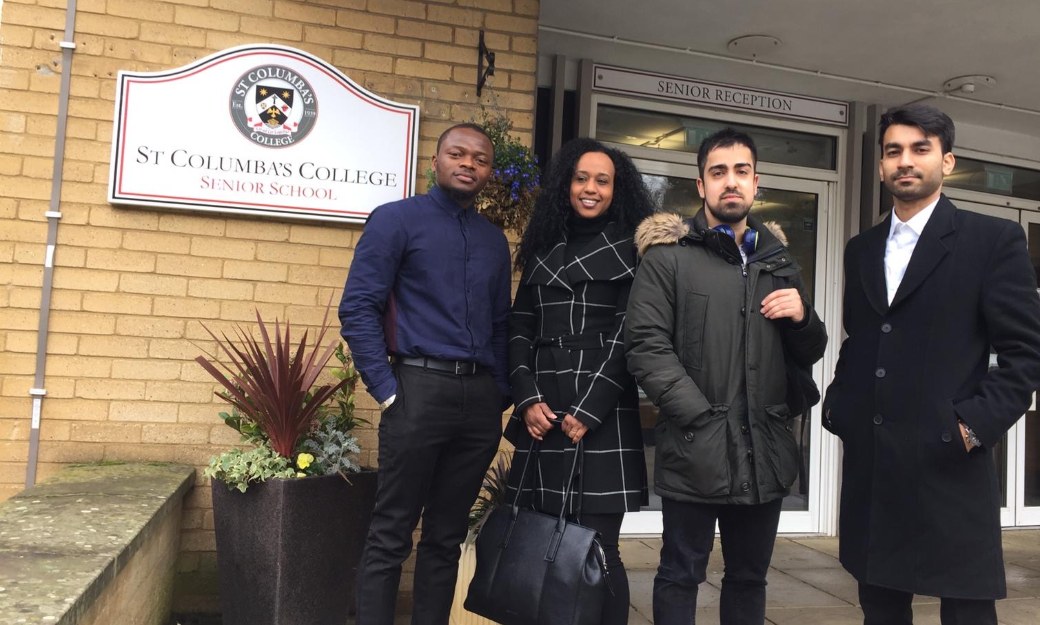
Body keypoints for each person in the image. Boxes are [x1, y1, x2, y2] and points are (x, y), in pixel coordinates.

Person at [823, 103, 1040, 625]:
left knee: (966, 610)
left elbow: (1025, 354)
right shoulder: (861, 248)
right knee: (880, 606)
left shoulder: (991, 240)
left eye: (920, 149)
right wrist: (841, 408)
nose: (905, 161)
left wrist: (970, 427)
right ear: (880, 166)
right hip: (876, 463)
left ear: (947, 161)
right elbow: (862, 338)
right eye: (893, 151)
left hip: (949, 462)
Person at [625, 127, 827, 625]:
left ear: (756, 183)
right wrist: (698, 415)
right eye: (718, 173)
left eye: (741, 172)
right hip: (696, 447)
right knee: (679, 574)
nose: (730, 183)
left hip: (765, 451)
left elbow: (812, 349)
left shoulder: (777, 261)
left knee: (748, 579)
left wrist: (802, 316)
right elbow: (647, 347)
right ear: (701, 185)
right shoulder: (668, 259)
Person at [339, 123, 512, 625]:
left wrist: (498, 390)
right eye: (457, 154)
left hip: (478, 402)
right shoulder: (396, 221)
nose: (468, 164)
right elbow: (358, 308)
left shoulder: (493, 241)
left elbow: (500, 322)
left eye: (479, 159)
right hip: (416, 391)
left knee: (446, 536)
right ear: (435, 162)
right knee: (391, 532)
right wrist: (387, 390)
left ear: (489, 172)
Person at [503, 138, 652, 625]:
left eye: (602, 181)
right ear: (566, 185)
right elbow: (519, 327)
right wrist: (526, 398)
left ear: (617, 189)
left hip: (601, 415)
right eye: (581, 179)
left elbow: (630, 334)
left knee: (599, 547)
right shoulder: (543, 246)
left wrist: (590, 409)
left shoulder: (635, 247)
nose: (590, 189)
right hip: (542, 414)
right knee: (541, 537)